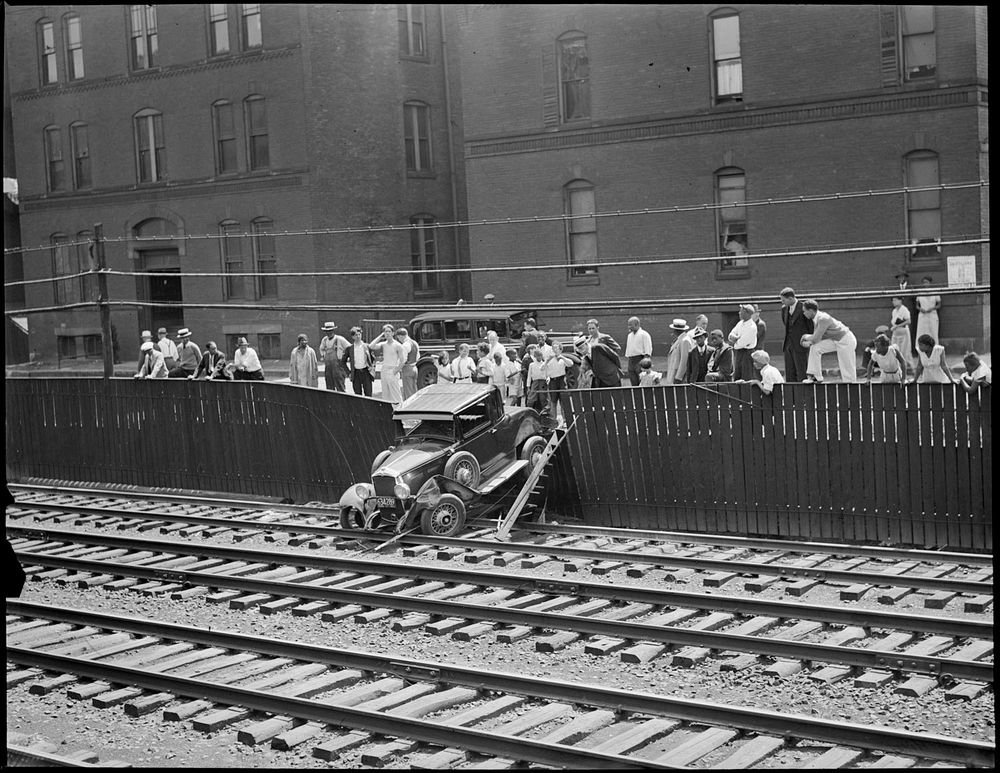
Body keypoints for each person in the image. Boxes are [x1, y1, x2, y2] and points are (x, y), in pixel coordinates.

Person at [800, 299, 858, 383]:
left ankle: (851, 388)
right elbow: (817, 339)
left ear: (811, 310)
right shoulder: (816, 319)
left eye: (804, 311)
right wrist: (809, 343)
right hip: (836, 340)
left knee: (847, 368)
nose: (804, 313)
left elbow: (816, 338)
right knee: (815, 348)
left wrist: (805, 336)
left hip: (846, 340)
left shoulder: (822, 318)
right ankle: (815, 377)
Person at [779, 287, 812, 383]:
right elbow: (786, 325)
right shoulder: (784, 309)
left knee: (802, 372)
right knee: (789, 373)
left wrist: (809, 342)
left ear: (790, 298)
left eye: (783, 300)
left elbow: (810, 327)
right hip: (788, 346)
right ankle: (791, 396)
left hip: (800, 346)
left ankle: (803, 396)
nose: (782, 302)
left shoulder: (804, 307)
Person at [369, 324, 403, 404]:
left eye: (389, 331)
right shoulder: (383, 344)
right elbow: (371, 346)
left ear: (393, 333)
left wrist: (396, 371)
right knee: (385, 394)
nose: (387, 333)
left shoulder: (398, 345)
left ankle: (399, 409)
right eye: (385, 331)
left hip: (393, 370)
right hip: (384, 370)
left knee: (395, 394)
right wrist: (380, 336)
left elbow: (402, 360)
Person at [545, 341, 573, 425]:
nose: (555, 350)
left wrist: (562, 357)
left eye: (557, 348)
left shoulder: (562, 358)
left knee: (563, 400)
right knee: (553, 401)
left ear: (560, 350)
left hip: (561, 380)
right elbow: (542, 368)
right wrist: (547, 361)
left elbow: (570, 364)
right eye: (553, 348)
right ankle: (553, 420)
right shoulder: (549, 359)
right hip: (553, 380)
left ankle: (565, 420)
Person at [728, 304, 758, 382]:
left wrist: (735, 342)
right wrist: (735, 339)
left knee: (746, 376)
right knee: (737, 374)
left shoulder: (752, 327)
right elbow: (731, 334)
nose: (739, 313)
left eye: (741, 311)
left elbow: (741, 343)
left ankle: (747, 394)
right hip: (739, 353)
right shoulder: (740, 323)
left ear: (748, 313)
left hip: (747, 353)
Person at [344, 326, 375, 397]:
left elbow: (373, 359)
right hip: (356, 373)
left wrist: (372, 367)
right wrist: (348, 372)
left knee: (368, 393)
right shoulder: (350, 348)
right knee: (357, 394)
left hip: (366, 372)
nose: (358, 336)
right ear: (353, 337)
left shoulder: (367, 346)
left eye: (359, 334)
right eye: (356, 335)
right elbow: (343, 361)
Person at [319, 321, 350, 392]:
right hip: (328, 367)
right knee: (329, 387)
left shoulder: (340, 339)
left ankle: (342, 402)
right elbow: (321, 349)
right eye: (326, 331)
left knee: (340, 386)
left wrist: (345, 358)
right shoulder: (324, 340)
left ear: (333, 330)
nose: (328, 333)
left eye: (330, 331)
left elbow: (349, 348)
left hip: (338, 367)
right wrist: (323, 355)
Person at [624, 316, 653, 386]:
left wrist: (645, 363)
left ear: (637, 324)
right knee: (633, 381)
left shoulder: (644, 334)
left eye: (630, 325)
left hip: (640, 359)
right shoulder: (629, 336)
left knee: (642, 381)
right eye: (628, 325)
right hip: (631, 360)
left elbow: (648, 350)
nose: (629, 327)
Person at [889, 295, 914, 370]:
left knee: (904, 351)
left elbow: (908, 321)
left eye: (895, 300)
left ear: (900, 300)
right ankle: (897, 368)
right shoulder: (894, 311)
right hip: (896, 334)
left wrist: (897, 326)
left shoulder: (904, 309)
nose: (894, 302)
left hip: (903, 333)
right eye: (893, 300)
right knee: (895, 350)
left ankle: (909, 368)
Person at [663, 318, 691, 385]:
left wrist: (679, 377)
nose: (673, 331)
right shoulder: (679, 339)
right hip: (673, 373)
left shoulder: (685, 341)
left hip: (677, 375)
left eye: (674, 329)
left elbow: (684, 361)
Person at [915, 276, 941, 346]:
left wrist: (932, 308)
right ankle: (920, 348)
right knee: (922, 332)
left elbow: (939, 305)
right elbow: (917, 305)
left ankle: (935, 348)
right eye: (924, 283)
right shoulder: (920, 292)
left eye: (926, 282)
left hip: (932, 314)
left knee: (933, 331)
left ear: (930, 283)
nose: (925, 284)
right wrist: (920, 309)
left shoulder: (935, 292)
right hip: (922, 315)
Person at [397, 327, 420, 400]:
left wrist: (397, 369)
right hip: (414, 367)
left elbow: (403, 359)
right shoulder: (414, 343)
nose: (399, 340)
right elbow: (418, 356)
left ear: (401, 336)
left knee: (408, 392)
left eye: (398, 338)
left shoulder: (405, 345)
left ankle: (410, 409)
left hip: (407, 369)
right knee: (414, 389)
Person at [525, 346, 548, 412]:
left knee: (543, 397)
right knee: (531, 398)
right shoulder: (532, 365)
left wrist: (547, 380)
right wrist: (528, 386)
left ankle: (544, 411)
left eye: (540, 356)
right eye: (537, 356)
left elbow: (547, 374)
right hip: (535, 382)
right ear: (535, 356)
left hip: (543, 382)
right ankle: (529, 411)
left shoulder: (544, 364)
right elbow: (529, 376)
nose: (539, 357)